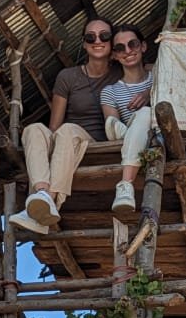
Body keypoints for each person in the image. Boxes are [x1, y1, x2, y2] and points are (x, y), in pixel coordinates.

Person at [9, 18, 121, 235]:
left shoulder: (120, 72)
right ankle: (42, 193)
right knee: (33, 129)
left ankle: (49, 201)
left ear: (112, 41)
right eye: (91, 37)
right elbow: (54, 126)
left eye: (104, 36)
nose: (97, 41)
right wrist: (46, 146)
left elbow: (149, 71)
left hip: (93, 142)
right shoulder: (68, 77)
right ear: (84, 43)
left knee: (68, 130)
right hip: (63, 139)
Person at [100, 24, 154, 214]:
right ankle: (126, 187)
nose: (128, 51)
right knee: (121, 124)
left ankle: (125, 183)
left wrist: (150, 93)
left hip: (158, 134)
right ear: (114, 55)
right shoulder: (110, 91)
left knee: (146, 113)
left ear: (143, 46)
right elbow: (112, 130)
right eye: (120, 48)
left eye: (133, 44)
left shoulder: (160, 77)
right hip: (130, 139)